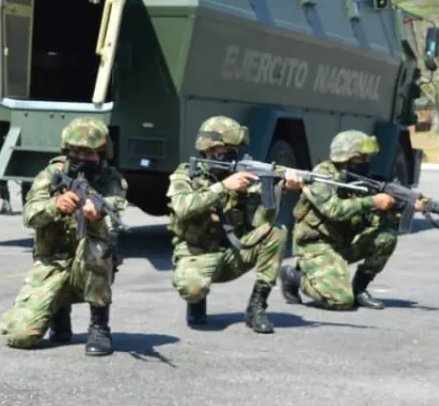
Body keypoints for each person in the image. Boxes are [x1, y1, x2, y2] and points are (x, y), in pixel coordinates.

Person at [0, 118, 127, 357]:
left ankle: (99, 326)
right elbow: (29, 216)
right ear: (67, 151)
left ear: (102, 155)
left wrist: (96, 215)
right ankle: (59, 313)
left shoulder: (112, 180)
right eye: (76, 152)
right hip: (52, 264)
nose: (82, 158)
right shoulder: (51, 174)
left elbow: (114, 212)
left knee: (98, 249)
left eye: (90, 153)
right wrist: (56, 204)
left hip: (87, 265)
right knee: (20, 335)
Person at [168, 116, 302, 333]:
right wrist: (224, 187)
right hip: (196, 253)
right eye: (225, 148)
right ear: (208, 148)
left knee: (276, 232)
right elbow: (182, 206)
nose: (231, 152)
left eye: (234, 148)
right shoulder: (185, 175)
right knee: (193, 288)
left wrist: (280, 188)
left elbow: (260, 223)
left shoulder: (244, 176)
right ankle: (196, 302)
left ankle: (257, 306)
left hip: (233, 252)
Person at [279, 131, 416, 310]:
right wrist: (372, 201)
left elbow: (374, 221)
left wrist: (396, 207)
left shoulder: (358, 180)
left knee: (386, 237)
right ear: (345, 158)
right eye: (361, 158)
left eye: (368, 157)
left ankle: (359, 289)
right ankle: (293, 276)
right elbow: (334, 210)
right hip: (316, 244)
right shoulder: (322, 176)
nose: (366, 162)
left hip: (343, 242)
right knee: (340, 300)